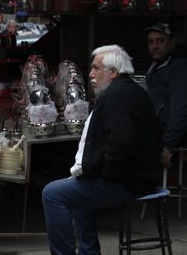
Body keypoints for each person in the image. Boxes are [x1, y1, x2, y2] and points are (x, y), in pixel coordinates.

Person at [42, 45, 162, 255]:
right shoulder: (129, 90)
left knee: (52, 194)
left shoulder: (118, 96)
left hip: (129, 182)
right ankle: (89, 252)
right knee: (77, 184)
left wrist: (105, 175)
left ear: (113, 72)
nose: (91, 74)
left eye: (96, 68)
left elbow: (120, 145)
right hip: (138, 177)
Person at [144, 23, 187, 167]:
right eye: (151, 41)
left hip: (177, 142)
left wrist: (169, 145)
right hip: (161, 137)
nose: (155, 46)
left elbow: (181, 108)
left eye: (160, 40)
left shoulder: (178, 67)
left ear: (171, 42)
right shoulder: (157, 66)